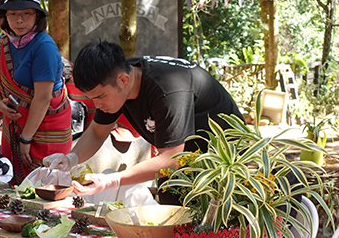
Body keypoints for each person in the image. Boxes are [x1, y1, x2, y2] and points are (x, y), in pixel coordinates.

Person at [45, 41, 242, 202]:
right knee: (168, 214)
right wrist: (71, 158)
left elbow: (171, 160)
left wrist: (114, 180)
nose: (97, 105)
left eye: (101, 97)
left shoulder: (168, 89)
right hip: (182, 161)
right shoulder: (119, 76)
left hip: (226, 165)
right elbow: (97, 132)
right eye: (92, 98)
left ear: (123, 81)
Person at [0, 0, 72, 182]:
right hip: (13, 126)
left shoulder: (44, 47)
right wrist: (0, 105)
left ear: (37, 16)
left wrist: (26, 138)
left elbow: (42, 98)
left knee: (45, 188)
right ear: (5, 17)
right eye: (12, 14)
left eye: (26, 14)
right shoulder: (1, 44)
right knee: (11, 185)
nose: (19, 20)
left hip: (46, 130)